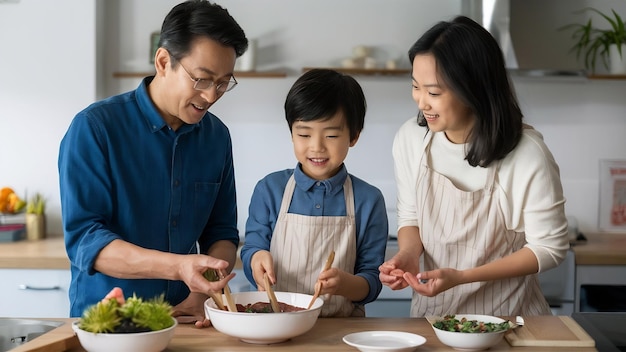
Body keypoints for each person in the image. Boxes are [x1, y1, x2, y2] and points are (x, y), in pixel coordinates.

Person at [58, 0, 248, 327]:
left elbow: (223, 233)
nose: (211, 95)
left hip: (186, 320)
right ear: (163, 61)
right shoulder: (95, 128)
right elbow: (87, 242)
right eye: (202, 79)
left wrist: (201, 294)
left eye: (222, 83)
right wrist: (176, 267)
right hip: (106, 321)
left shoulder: (217, 137)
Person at [379, 16, 570, 317]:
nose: (421, 103)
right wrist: (407, 255)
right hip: (433, 321)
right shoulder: (411, 139)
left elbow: (550, 248)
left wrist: (462, 277)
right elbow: (410, 217)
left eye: (434, 92)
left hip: (512, 322)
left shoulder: (527, 153)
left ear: (473, 89)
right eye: (416, 87)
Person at [240, 69, 389, 317]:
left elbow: (372, 281)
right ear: (291, 133)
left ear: (353, 136)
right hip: (277, 324)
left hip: (340, 329)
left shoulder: (368, 200)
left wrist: (346, 285)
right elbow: (251, 250)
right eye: (304, 134)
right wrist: (256, 259)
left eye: (331, 135)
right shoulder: (269, 189)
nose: (316, 147)